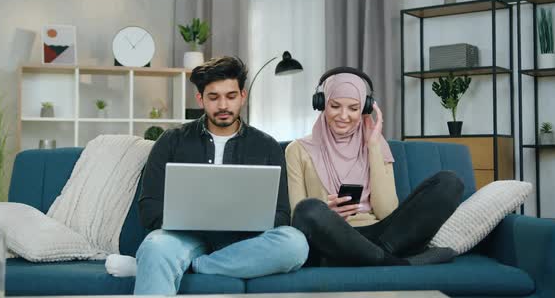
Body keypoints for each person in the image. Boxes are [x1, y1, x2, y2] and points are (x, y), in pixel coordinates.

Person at [133, 56, 308, 295]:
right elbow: (149, 208)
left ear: (242, 96)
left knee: (295, 244)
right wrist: (187, 219)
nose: (223, 105)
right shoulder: (171, 141)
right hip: (184, 238)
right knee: (155, 248)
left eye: (231, 96)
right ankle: (176, 260)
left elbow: (281, 213)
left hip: (245, 243)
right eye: (213, 97)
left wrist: (247, 221)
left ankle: (195, 266)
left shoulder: (266, 146)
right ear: (200, 99)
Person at [285, 67, 464, 267]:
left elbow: (386, 211)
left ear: (365, 108)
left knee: (450, 182)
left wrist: (372, 147)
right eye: (335, 106)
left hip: (381, 236)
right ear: (322, 103)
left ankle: (372, 257)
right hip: (332, 238)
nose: (344, 116)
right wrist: (328, 212)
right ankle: (398, 263)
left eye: (353, 108)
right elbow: (297, 218)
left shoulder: (376, 145)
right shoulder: (297, 150)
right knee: (308, 209)